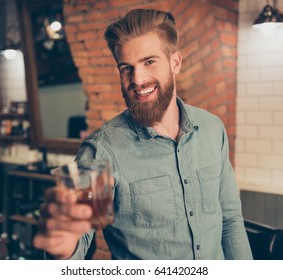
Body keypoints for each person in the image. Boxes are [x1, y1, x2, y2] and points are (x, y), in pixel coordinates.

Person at [33, 8, 253, 260]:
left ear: (175, 63)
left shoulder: (212, 129)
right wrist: (64, 249)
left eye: (149, 62)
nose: (137, 79)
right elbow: (79, 238)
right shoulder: (102, 151)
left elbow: (230, 220)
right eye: (126, 67)